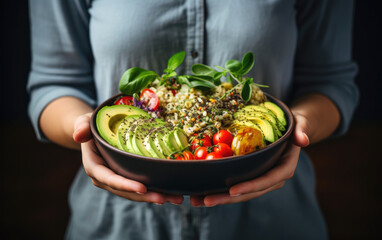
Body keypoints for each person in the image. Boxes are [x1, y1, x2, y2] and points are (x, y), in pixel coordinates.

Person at [27, 0, 359, 239]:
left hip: (274, 220)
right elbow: (53, 84)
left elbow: (330, 85)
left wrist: (299, 124)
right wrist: (85, 130)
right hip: (115, 225)